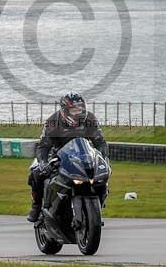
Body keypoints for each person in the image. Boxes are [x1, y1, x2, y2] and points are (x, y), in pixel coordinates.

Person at [27, 92, 108, 222]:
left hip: (83, 155)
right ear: (65, 110)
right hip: (57, 155)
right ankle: (36, 206)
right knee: (36, 173)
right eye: (74, 109)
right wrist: (43, 163)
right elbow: (43, 146)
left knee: (101, 177)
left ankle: (98, 205)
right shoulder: (53, 122)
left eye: (80, 108)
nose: (78, 112)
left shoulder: (90, 120)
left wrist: (103, 158)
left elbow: (100, 142)